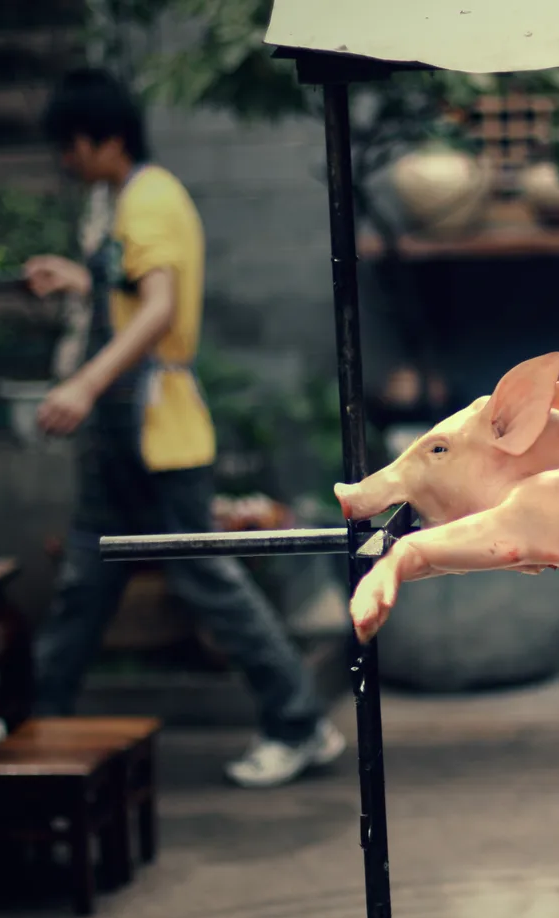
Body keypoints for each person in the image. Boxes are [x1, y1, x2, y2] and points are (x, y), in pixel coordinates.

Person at [23, 67, 345, 788]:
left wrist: (84, 383)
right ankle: (39, 726)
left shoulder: (148, 200)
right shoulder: (128, 200)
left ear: (104, 139)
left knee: (205, 579)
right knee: (85, 583)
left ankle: (299, 723)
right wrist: (82, 282)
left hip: (155, 431)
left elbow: (161, 309)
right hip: (124, 435)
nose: (66, 161)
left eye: (71, 146)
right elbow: (136, 292)